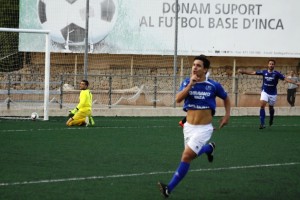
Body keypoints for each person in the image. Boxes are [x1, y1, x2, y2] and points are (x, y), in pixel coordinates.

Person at [158, 55, 231, 198]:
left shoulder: (213, 85)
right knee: (191, 155)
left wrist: (227, 115)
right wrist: (190, 85)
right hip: (188, 127)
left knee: (186, 156)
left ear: (205, 69)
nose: (194, 67)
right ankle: (209, 148)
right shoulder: (187, 82)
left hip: (204, 129)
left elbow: (226, 98)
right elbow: (178, 99)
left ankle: (168, 188)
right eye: (193, 65)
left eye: (198, 65)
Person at [238, 59, 300, 129]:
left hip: (273, 94)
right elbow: (253, 72)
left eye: (272, 64)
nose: (271, 65)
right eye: (270, 64)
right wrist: (243, 72)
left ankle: (271, 118)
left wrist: (295, 83)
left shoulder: (277, 73)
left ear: (274, 65)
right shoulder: (264, 72)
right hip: (265, 92)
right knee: (262, 105)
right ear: (268, 65)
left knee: (271, 108)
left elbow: (286, 79)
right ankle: (262, 123)